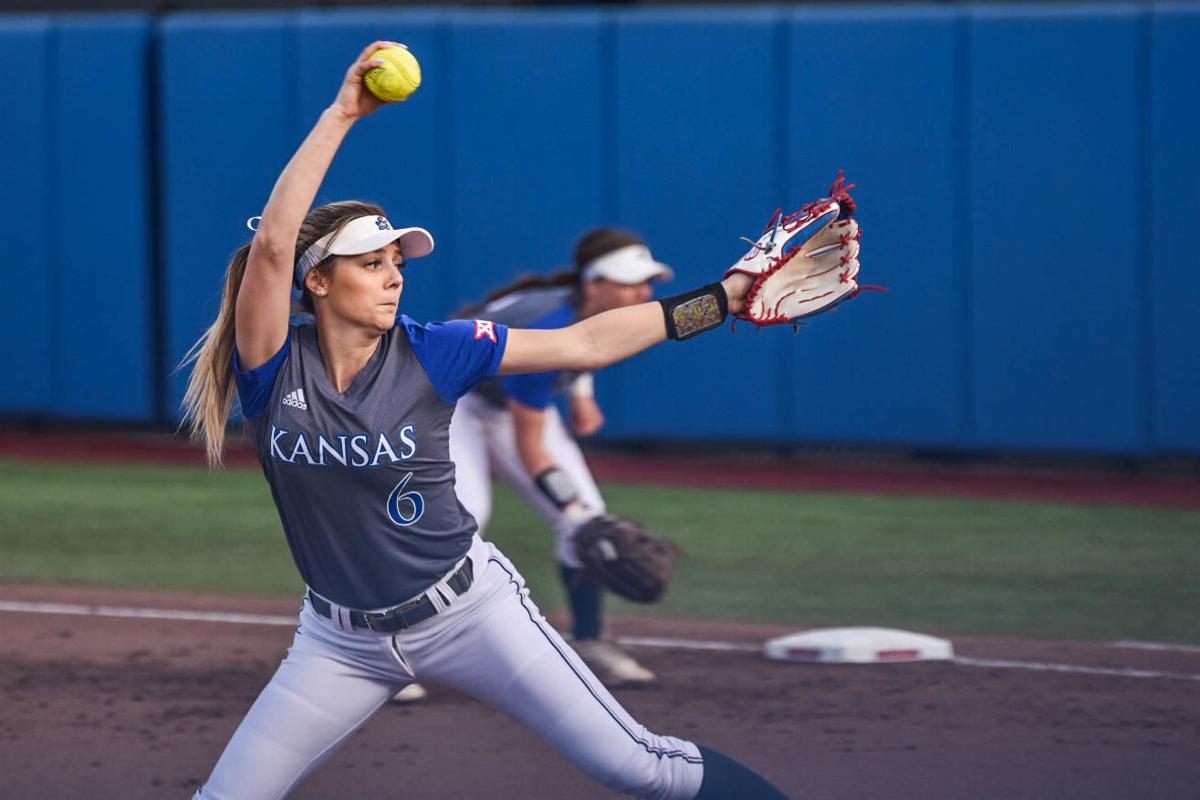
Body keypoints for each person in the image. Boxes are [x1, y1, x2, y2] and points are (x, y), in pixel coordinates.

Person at [181, 41, 790, 799]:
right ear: (318, 281)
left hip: (470, 613)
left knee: (642, 767)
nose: (394, 273)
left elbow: (585, 340)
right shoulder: (272, 364)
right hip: (337, 642)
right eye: (372, 262)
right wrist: (343, 113)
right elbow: (272, 244)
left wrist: (722, 299)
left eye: (398, 261)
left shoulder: (438, 350)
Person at [445, 228, 672, 690]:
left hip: (517, 401)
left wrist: (582, 394)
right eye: (631, 283)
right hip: (454, 403)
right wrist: (572, 511)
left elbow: (588, 340)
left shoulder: (592, 311)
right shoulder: (546, 327)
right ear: (595, 285)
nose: (644, 294)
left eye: (647, 283)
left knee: (587, 514)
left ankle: (588, 640)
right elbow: (534, 453)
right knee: (463, 519)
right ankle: (398, 647)